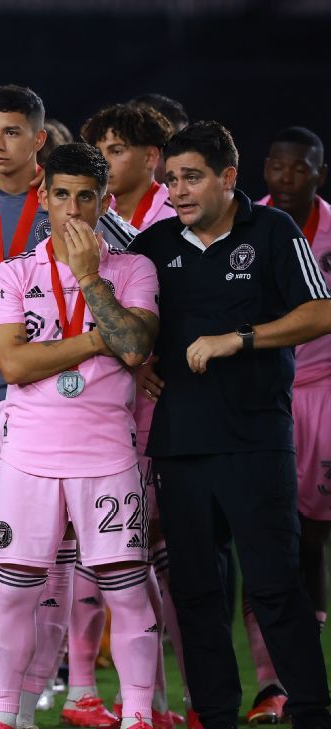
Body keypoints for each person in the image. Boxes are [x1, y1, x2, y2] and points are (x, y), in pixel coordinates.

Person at [0, 85, 136, 729]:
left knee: (45, 566)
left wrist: (141, 365)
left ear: (40, 140)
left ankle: (30, 699)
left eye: (12, 132)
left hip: (62, 407)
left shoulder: (78, 202)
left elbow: (134, 292)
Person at [129, 121, 331, 729]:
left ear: (228, 178)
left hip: (254, 441)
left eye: (192, 178)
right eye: (171, 181)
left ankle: (313, 711)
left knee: (274, 585)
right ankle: (213, 713)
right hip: (180, 445)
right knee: (195, 592)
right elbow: (124, 323)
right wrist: (135, 365)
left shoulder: (272, 231)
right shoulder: (154, 244)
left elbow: (321, 311)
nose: (179, 192)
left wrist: (241, 339)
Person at [0, 142, 161, 729]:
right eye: (62, 195)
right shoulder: (13, 273)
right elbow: (13, 365)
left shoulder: (134, 268)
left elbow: (135, 346)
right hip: (29, 457)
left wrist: (88, 279)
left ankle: (137, 715)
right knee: (12, 593)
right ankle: (2, 717)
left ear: (105, 201)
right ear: (43, 197)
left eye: (87, 197)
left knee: (127, 590)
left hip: (107, 456)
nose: (74, 210)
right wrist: (96, 340)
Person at [76, 102, 183, 729]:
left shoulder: (178, 216)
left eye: (115, 150)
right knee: (106, 551)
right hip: (111, 405)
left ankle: (160, 700)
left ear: (153, 158)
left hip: (170, 399)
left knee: (163, 552)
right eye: (101, 151)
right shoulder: (95, 218)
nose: (106, 163)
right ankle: (86, 690)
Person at [229, 126, 331, 725]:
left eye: (301, 168)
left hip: (323, 393)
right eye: (277, 166)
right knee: (266, 535)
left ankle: (305, 672)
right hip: (266, 392)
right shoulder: (250, 225)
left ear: (319, 172)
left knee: (315, 538)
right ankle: (271, 683)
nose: (287, 178)